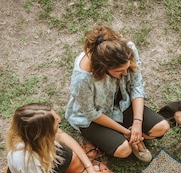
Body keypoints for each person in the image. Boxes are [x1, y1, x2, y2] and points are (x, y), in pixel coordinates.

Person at [65, 25, 170, 163]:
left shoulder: (128, 50)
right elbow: (92, 113)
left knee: (162, 127)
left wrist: (137, 123)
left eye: (126, 68)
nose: (126, 74)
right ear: (103, 67)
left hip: (121, 102)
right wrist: (125, 132)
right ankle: (127, 136)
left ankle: (132, 134)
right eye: (120, 71)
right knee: (124, 150)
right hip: (93, 117)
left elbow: (136, 85)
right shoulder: (82, 79)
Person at [5, 103, 115, 173]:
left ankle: (84, 170)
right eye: (56, 123)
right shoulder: (27, 161)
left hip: (46, 159)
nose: (59, 119)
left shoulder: (35, 136)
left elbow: (61, 135)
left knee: (82, 166)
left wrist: (89, 168)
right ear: (43, 133)